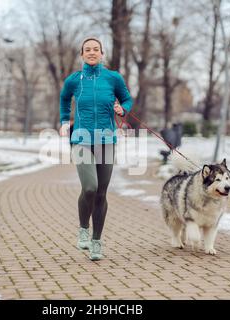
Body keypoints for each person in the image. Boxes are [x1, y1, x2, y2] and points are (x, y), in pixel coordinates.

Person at [59, 37, 133, 261]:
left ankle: (96, 241)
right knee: (89, 187)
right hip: (81, 138)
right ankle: (83, 228)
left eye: (96, 50)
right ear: (82, 55)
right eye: (87, 50)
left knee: (101, 192)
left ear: (102, 54)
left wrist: (122, 109)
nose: (92, 53)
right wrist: (64, 121)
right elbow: (64, 100)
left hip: (106, 140)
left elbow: (127, 98)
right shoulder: (74, 80)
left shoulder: (113, 78)